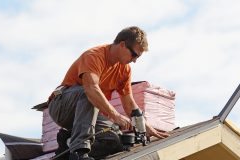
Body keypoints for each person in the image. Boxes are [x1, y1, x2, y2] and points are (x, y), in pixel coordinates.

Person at [48, 26, 169, 160]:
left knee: (114, 141)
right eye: (134, 55)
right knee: (90, 94)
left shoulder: (125, 70)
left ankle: (66, 148)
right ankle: (79, 152)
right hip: (61, 106)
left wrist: (146, 128)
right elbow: (91, 89)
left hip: (86, 113)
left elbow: (129, 104)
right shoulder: (94, 56)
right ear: (122, 45)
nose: (134, 60)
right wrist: (115, 115)